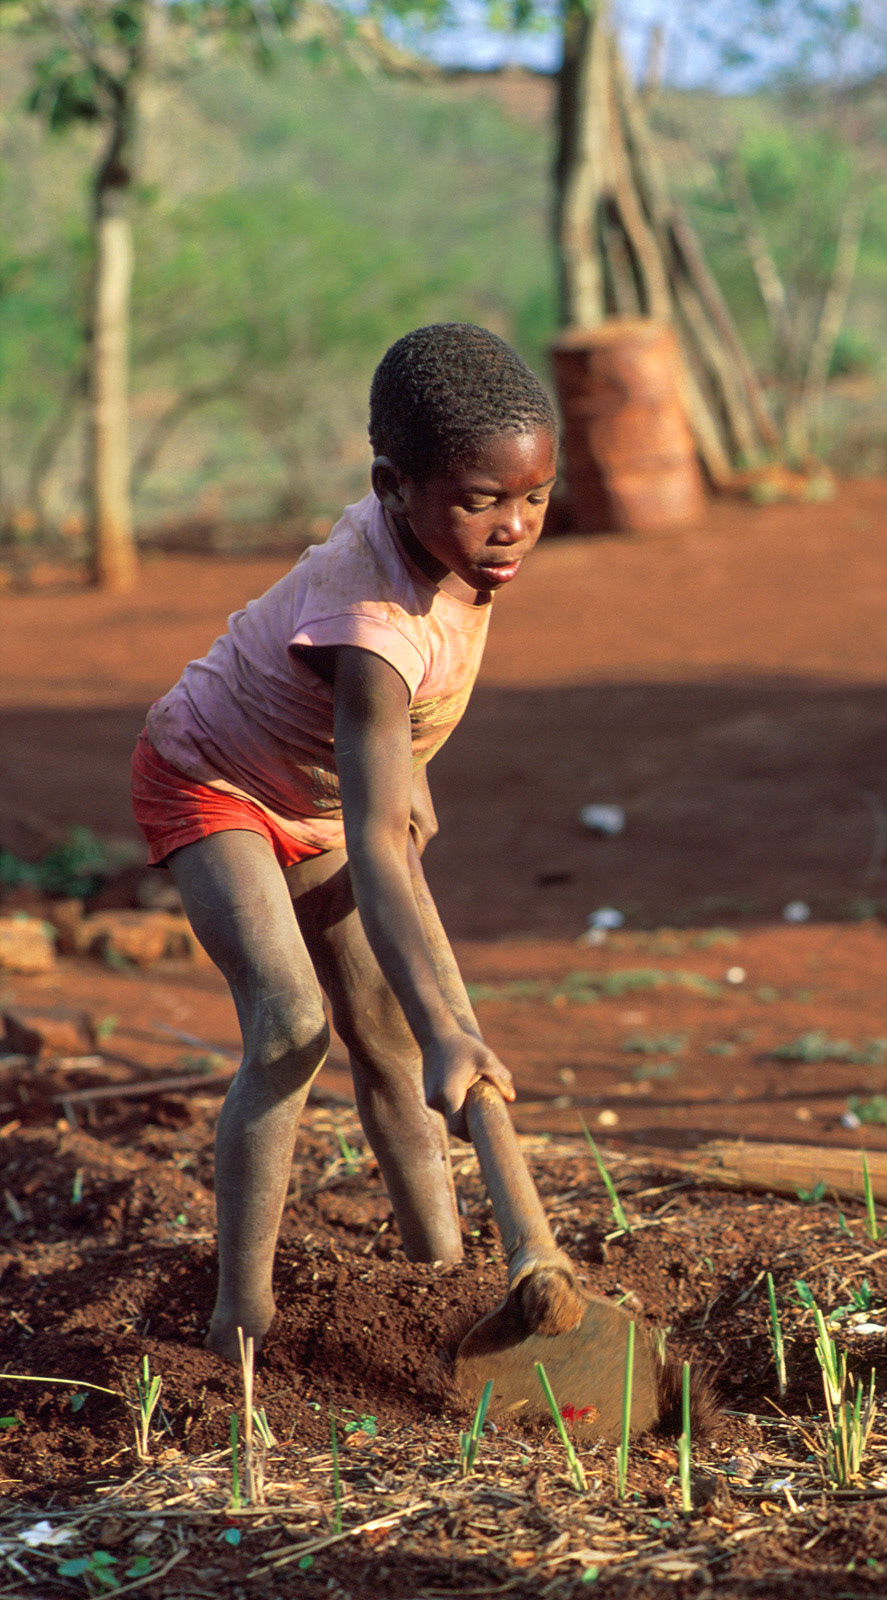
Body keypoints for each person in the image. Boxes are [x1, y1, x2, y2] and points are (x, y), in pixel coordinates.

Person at [130, 323, 559, 1361]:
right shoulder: (375, 628)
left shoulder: (430, 538)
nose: (513, 528)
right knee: (289, 1025)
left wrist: (405, 764)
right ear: (396, 485)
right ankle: (241, 1322)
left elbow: (378, 735)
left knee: (390, 1037)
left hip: (319, 784)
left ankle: (448, 1282)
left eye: (535, 499)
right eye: (481, 501)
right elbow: (378, 845)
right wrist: (460, 1023)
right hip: (215, 780)